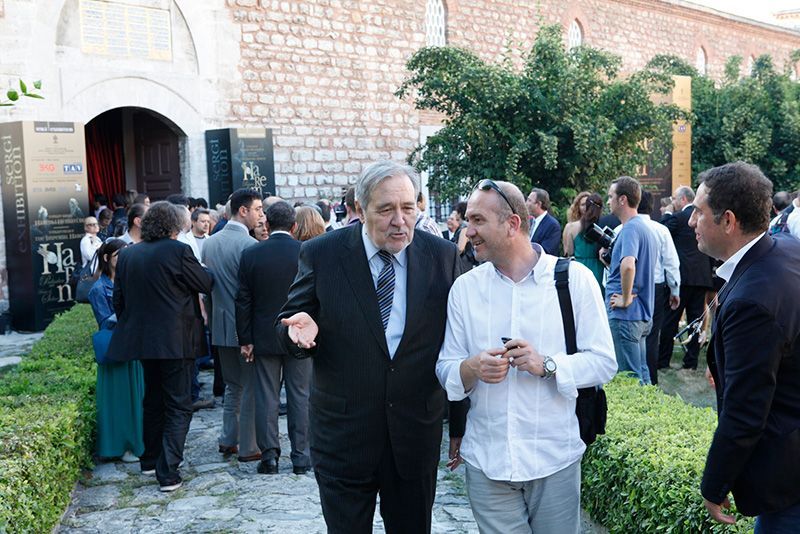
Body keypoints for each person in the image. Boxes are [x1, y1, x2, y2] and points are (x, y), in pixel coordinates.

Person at [276, 160, 466, 534]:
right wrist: (296, 334)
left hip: (414, 435)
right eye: (386, 209)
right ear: (361, 210)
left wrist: (459, 422)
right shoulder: (322, 253)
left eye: (408, 208)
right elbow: (287, 323)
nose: (400, 221)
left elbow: (456, 343)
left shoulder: (442, 256)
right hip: (343, 436)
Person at [437, 179, 616, 534]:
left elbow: (603, 362)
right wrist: (471, 368)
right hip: (487, 461)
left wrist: (547, 365)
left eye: (477, 220)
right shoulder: (465, 289)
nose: (468, 231)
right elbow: (445, 367)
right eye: (468, 221)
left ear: (512, 224)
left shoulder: (574, 281)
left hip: (554, 459)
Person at [691, 162, 800, 530]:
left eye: (699, 212)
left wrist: (714, 484)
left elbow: (745, 412)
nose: (691, 221)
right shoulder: (787, 249)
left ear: (728, 221)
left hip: (788, 484)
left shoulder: (751, 300)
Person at [106, 201, 213, 492]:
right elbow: (205, 282)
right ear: (174, 225)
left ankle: (150, 461)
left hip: (144, 340)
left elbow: (119, 300)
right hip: (176, 340)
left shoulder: (129, 255)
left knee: (153, 400)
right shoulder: (179, 250)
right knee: (179, 405)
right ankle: (167, 472)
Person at [237, 201, 312, 475]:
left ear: (267, 224)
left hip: (265, 334)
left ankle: (269, 457)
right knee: (300, 395)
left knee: (266, 396)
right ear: (294, 226)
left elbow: (243, 300)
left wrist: (245, 339)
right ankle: (301, 456)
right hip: (299, 334)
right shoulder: (306, 252)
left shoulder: (251, 254)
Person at [202, 188, 263, 463]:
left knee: (232, 385)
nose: (261, 215)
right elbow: (250, 295)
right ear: (243, 210)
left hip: (220, 324)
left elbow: (208, 289)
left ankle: (228, 439)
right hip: (244, 327)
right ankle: (248, 446)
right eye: (257, 209)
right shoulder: (250, 246)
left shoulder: (210, 243)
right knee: (249, 386)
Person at [88, 238, 144, 464]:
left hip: (134, 345)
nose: (124, 259)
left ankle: (138, 442)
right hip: (115, 347)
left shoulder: (131, 280)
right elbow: (105, 321)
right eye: (119, 255)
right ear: (106, 258)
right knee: (120, 400)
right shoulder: (98, 288)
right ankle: (122, 446)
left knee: (138, 397)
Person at [602, 176, 657, 384]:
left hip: (626, 315)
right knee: (642, 374)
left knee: (630, 380)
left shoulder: (630, 228)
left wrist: (625, 299)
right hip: (641, 314)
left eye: (611, 197)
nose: (608, 201)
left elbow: (628, 265)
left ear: (622, 199)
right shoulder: (644, 227)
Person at [658, 186, 713, 370]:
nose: (673, 202)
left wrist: (667, 213)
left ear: (683, 199)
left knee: (670, 319)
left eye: (674, 199)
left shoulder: (678, 218)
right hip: (701, 276)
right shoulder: (705, 217)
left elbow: (662, 231)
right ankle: (691, 361)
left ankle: (663, 360)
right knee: (696, 321)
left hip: (682, 277)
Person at [637, 191, 680, 385]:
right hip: (655, 287)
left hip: (630, 287)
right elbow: (671, 262)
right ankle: (651, 380)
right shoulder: (660, 230)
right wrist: (674, 290)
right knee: (652, 335)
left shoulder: (622, 229)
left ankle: (632, 379)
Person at [567, 193, 605, 291]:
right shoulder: (601, 226)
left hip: (579, 266)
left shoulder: (571, 227)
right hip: (598, 267)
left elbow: (569, 252)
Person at [527, 187, 562, 255]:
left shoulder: (553, 225)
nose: (526, 203)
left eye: (529, 200)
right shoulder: (529, 222)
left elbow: (546, 251)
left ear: (538, 204)